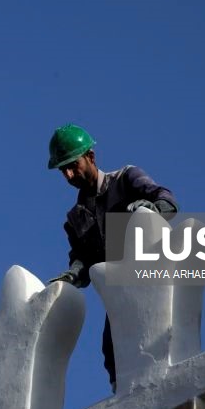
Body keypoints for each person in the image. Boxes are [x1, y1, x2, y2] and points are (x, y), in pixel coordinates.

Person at [47, 123, 178, 391]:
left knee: (164, 333)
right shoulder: (74, 219)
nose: (69, 175)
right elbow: (82, 258)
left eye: (73, 165)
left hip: (152, 276)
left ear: (91, 158)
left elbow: (168, 201)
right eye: (64, 170)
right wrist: (73, 273)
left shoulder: (126, 179)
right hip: (119, 289)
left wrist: (152, 208)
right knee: (113, 349)